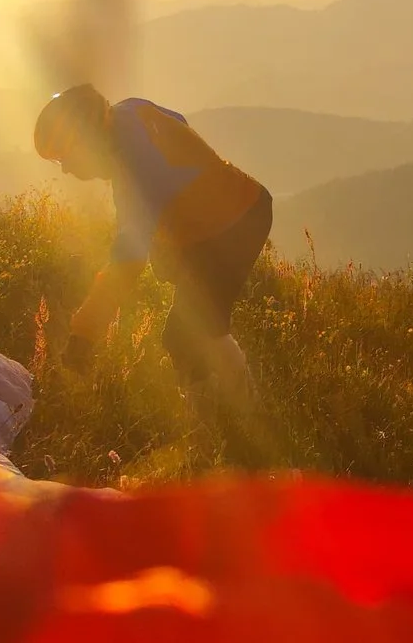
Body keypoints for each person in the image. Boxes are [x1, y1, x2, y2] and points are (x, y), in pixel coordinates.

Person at [34, 86, 275, 432]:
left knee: (194, 329)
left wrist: (84, 334)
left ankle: (237, 420)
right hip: (230, 216)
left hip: (236, 223)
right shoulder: (127, 111)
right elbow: (178, 123)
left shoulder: (133, 170)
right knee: (193, 326)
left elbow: (128, 261)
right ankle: (223, 417)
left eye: (64, 158)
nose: (65, 170)